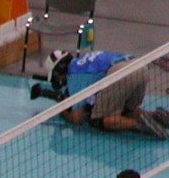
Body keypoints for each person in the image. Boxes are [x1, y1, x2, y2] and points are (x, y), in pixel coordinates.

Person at [34, 50, 169, 139]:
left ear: (58, 71)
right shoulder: (84, 60)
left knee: (100, 120)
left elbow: (77, 119)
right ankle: (155, 116)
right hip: (139, 67)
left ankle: (140, 125)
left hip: (121, 74)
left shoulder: (74, 77)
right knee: (127, 110)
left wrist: (60, 106)